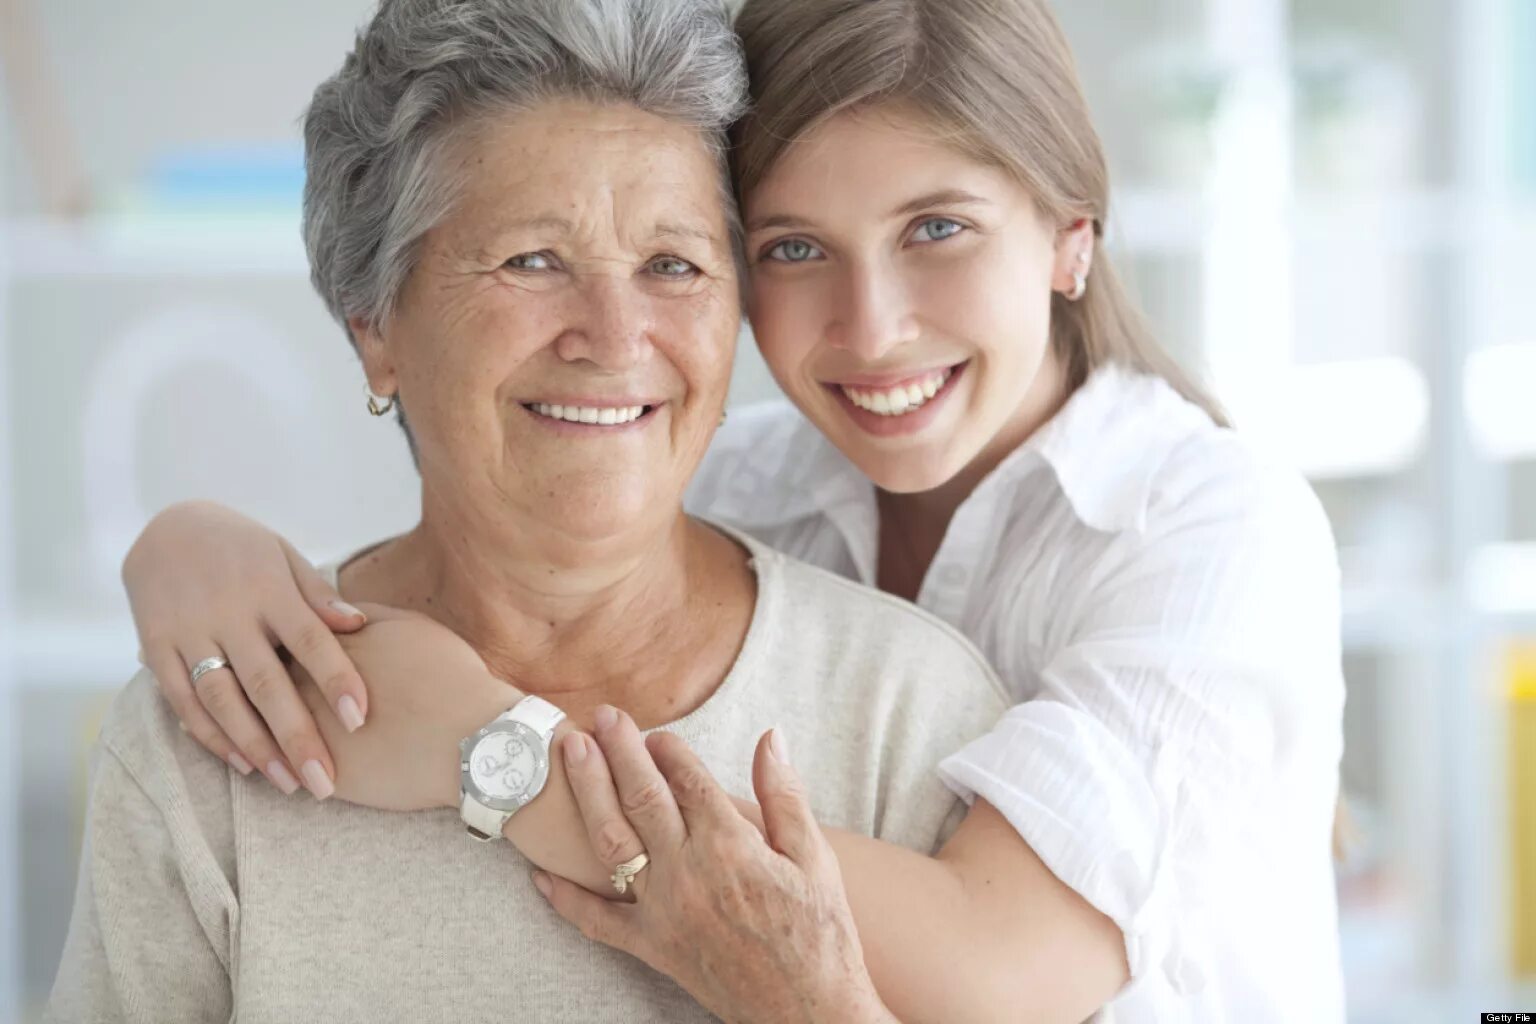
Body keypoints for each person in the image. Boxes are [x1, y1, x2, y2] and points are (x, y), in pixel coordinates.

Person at [119, 0, 1347, 1020]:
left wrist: (496, 754)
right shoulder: (754, 480)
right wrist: (184, 544)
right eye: (795, 248)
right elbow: (549, 479)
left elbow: (1004, 964)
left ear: (1074, 237)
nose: (873, 328)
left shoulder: (1208, 532)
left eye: (938, 229)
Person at [44, 1, 1014, 1020]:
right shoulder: (222, 734)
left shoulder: (906, 711)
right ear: (374, 326)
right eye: (533, 261)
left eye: (672, 265)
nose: (615, 336)